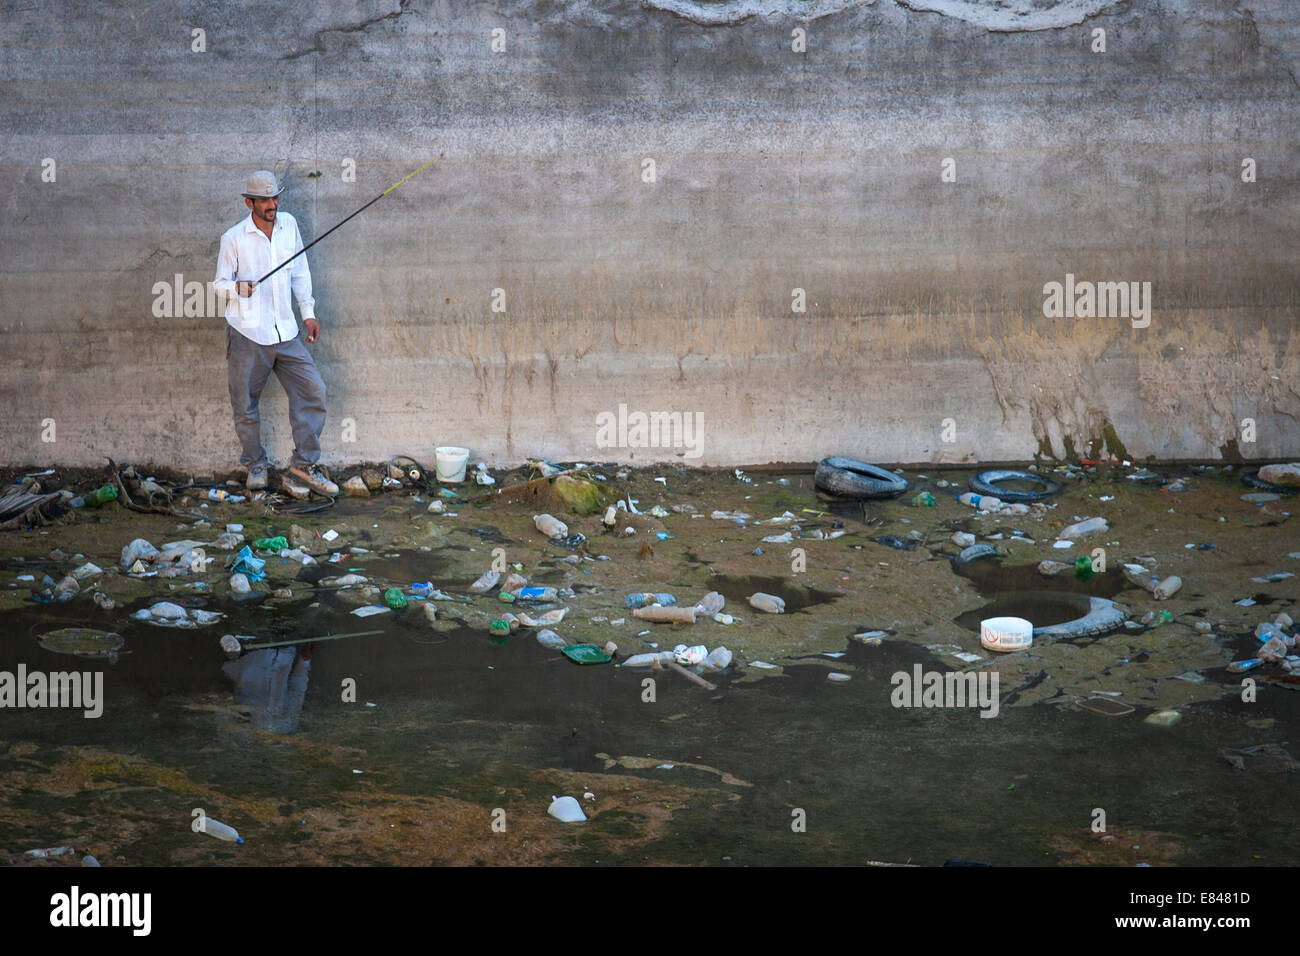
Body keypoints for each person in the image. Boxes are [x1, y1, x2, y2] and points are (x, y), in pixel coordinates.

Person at [214, 170, 338, 497]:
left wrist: (308, 313)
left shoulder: (289, 225)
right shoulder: (234, 238)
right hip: (247, 334)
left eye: (275, 198)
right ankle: (255, 465)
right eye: (265, 200)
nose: (272, 204)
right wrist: (237, 288)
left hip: (286, 331)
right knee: (245, 404)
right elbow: (219, 286)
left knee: (313, 391)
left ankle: (303, 465)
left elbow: (300, 271)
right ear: (249, 202)